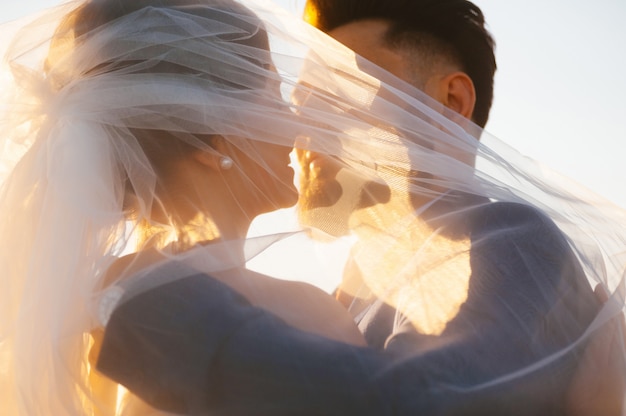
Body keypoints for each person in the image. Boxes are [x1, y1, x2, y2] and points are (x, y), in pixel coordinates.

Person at [92, 1, 625, 416]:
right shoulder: (348, 287)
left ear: (450, 105)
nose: (303, 127)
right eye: (300, 100)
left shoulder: (509, 237)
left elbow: (430, 402)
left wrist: (147, 310)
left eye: (338, 94)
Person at [0, 0, 367, 414]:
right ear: (213, 140)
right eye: (273, 95)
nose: (298, 126)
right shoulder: (299, 315)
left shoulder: (90, 319)